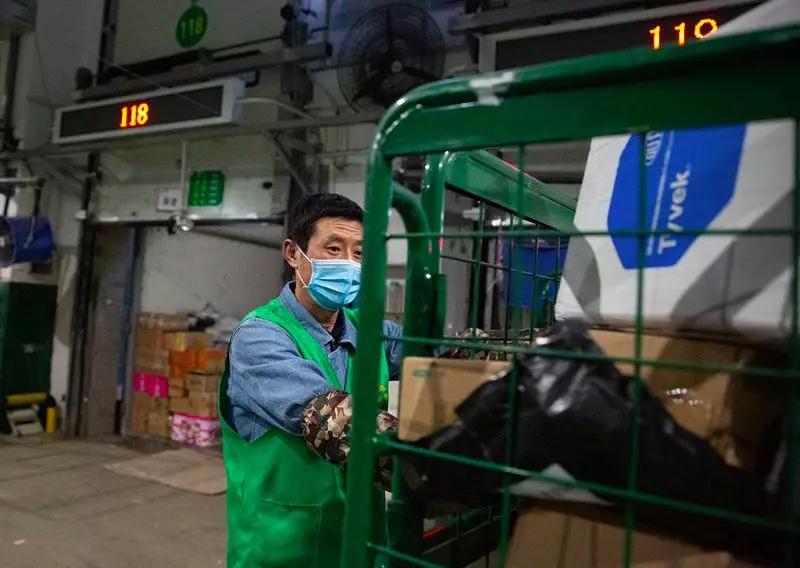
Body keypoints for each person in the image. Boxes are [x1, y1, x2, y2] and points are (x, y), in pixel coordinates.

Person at [219, 193, 403, 568]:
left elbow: (439, 351)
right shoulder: (259, 336)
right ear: (293, 253)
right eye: (333, 249)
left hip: (359, 546)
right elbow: (329, 419)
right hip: (284, 550)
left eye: (359, 253)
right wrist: (433, 465)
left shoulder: (368, 330)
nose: (348, 264)